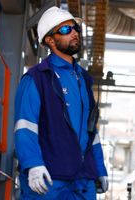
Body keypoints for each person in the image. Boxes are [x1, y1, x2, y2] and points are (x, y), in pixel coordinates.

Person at [14, 6, 108, 200]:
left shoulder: (84, 81)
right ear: (50, 40)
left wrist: (99, 168)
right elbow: (25, 125)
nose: (74, 33)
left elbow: (92, 132)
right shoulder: (36, 79)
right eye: (66, 30)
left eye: (76, 29)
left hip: (82, 182)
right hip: (48, 178)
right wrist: (32, 164)